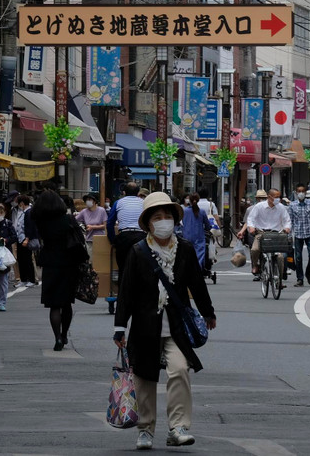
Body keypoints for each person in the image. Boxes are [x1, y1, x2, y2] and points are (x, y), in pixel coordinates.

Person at [113, 192, 216, 450]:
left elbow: (197, 284)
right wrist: (119, 326)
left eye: (167, 216)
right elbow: (126, 291)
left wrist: (208, 312)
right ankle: (145, 430)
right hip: (145, 327)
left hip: (177, 326)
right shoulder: (138, 252)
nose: (163, 221)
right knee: (144, 378)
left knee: (180, 369)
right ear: (148, 223)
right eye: (157, 217)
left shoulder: (185, 250)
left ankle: (178, 427)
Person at [32, 190, 84, 351]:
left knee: (54, 305)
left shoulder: (41, 223)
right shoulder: (68, 219)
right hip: (69, 264)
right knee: (67, 303)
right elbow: (80, 239)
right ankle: (64, 334)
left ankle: (57, 338)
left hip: (50, 264)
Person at [246, 188, 291, 282]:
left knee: (281, 256)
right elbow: (251, 219)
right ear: (269, 197)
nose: (278, 199)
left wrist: (287, 228)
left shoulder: (281, 207)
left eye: (279, 197)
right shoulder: (259, 206)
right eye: (276, 197)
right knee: (254, 249)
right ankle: (255, 264)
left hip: (277, 234)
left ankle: (280, 278)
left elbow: (287, 220)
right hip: (261, 233)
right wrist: (251, 227)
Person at [107, 182, 147, 284]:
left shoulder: (118, 203)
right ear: (138, 192)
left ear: (124, 192)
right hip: (141, 237)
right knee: (141, 268)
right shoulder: (144, 203)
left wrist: (113, 240)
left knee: (123, 268)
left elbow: (110, 223)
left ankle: (122, 296)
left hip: (124, 237)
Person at [289, 183, 310, 287]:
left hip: (309, 233)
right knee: (298, 257)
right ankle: (300, 278)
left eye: (303, 191)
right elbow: (291, 221)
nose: (301, 193)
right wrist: (289, 235)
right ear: (296, 193)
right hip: (298, 234)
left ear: (305, 193)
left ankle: (308, 273)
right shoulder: (292, 205)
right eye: (299, 191)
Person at [182, 193, 211, 270]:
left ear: (189, 201)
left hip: (186, 236)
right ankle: (197, 270)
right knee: (199, 255)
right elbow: (207, 225)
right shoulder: (201, 212)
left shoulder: (184, 211)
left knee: (187, 254)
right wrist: (209, 229)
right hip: (199, 236)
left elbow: (182, 223)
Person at [13, 195, 38, 288]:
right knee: (21, 259)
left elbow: (30, 227)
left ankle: (31, 279)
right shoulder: (24, 212)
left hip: (25, 239)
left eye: (19, 203)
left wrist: (27, 239)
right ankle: (23, 279)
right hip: (20, 239)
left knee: (27, 260)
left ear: (22, 203)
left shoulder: (29, 212)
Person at [75, 193, 108, 260]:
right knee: (90, 259)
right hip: (89, 239)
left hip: (100, 238)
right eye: (87, 200)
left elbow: (105, 225)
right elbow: (74, 220)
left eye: (89, 199)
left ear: (94, 201)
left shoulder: (101, 210)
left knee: (99, 259)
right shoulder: (84, 212)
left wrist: (92, 227)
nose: (88, 201)